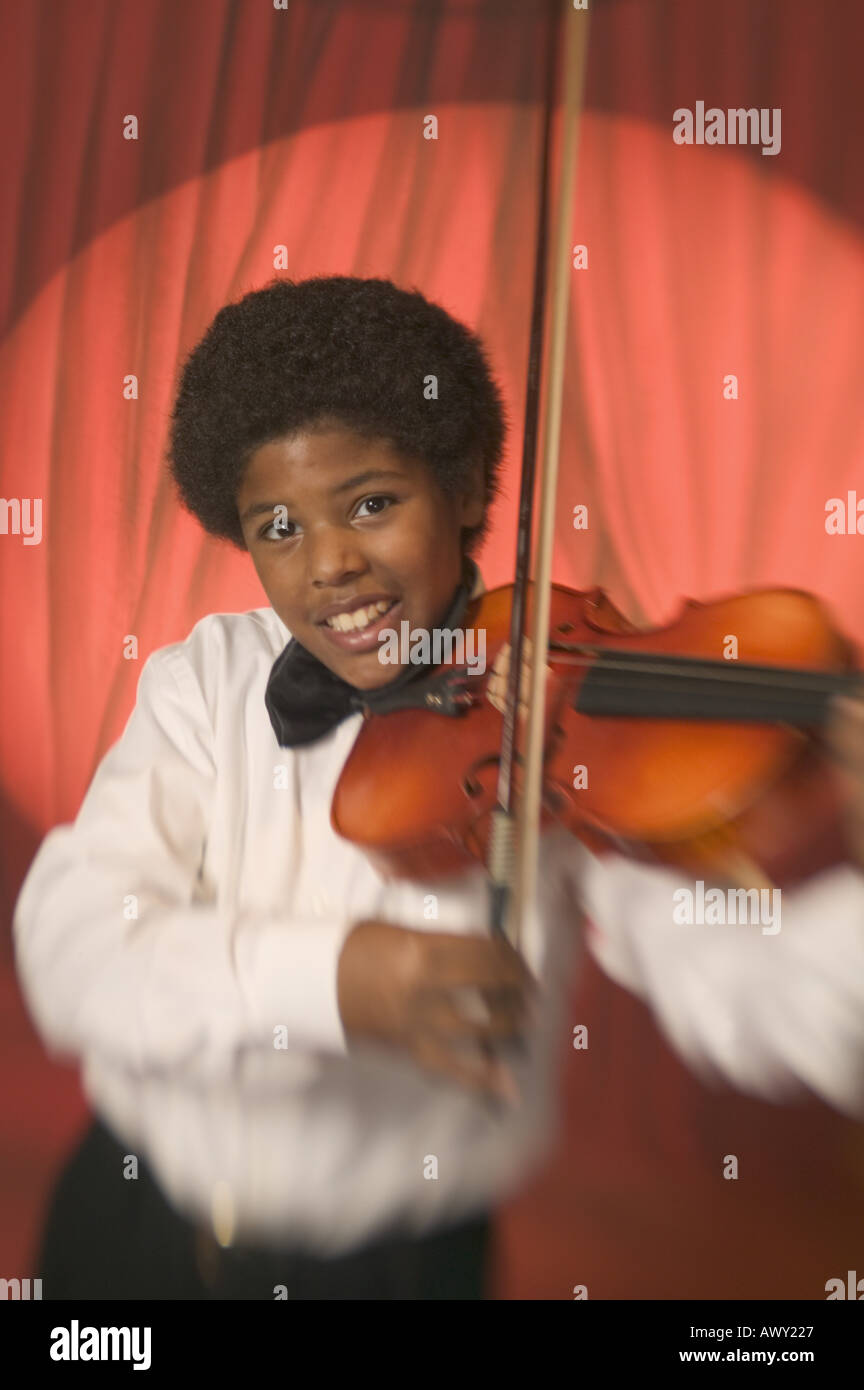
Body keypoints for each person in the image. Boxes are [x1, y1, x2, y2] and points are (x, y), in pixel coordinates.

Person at [13, 275, 864, 1301]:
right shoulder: (206, 684)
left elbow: (759, 994)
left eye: (372, 502)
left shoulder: (574, 742)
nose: (328, 561)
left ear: (463, 490)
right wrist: (332, 980)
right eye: (278, 525)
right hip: (137, 1237)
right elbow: (72, 942)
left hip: (404, 1271)